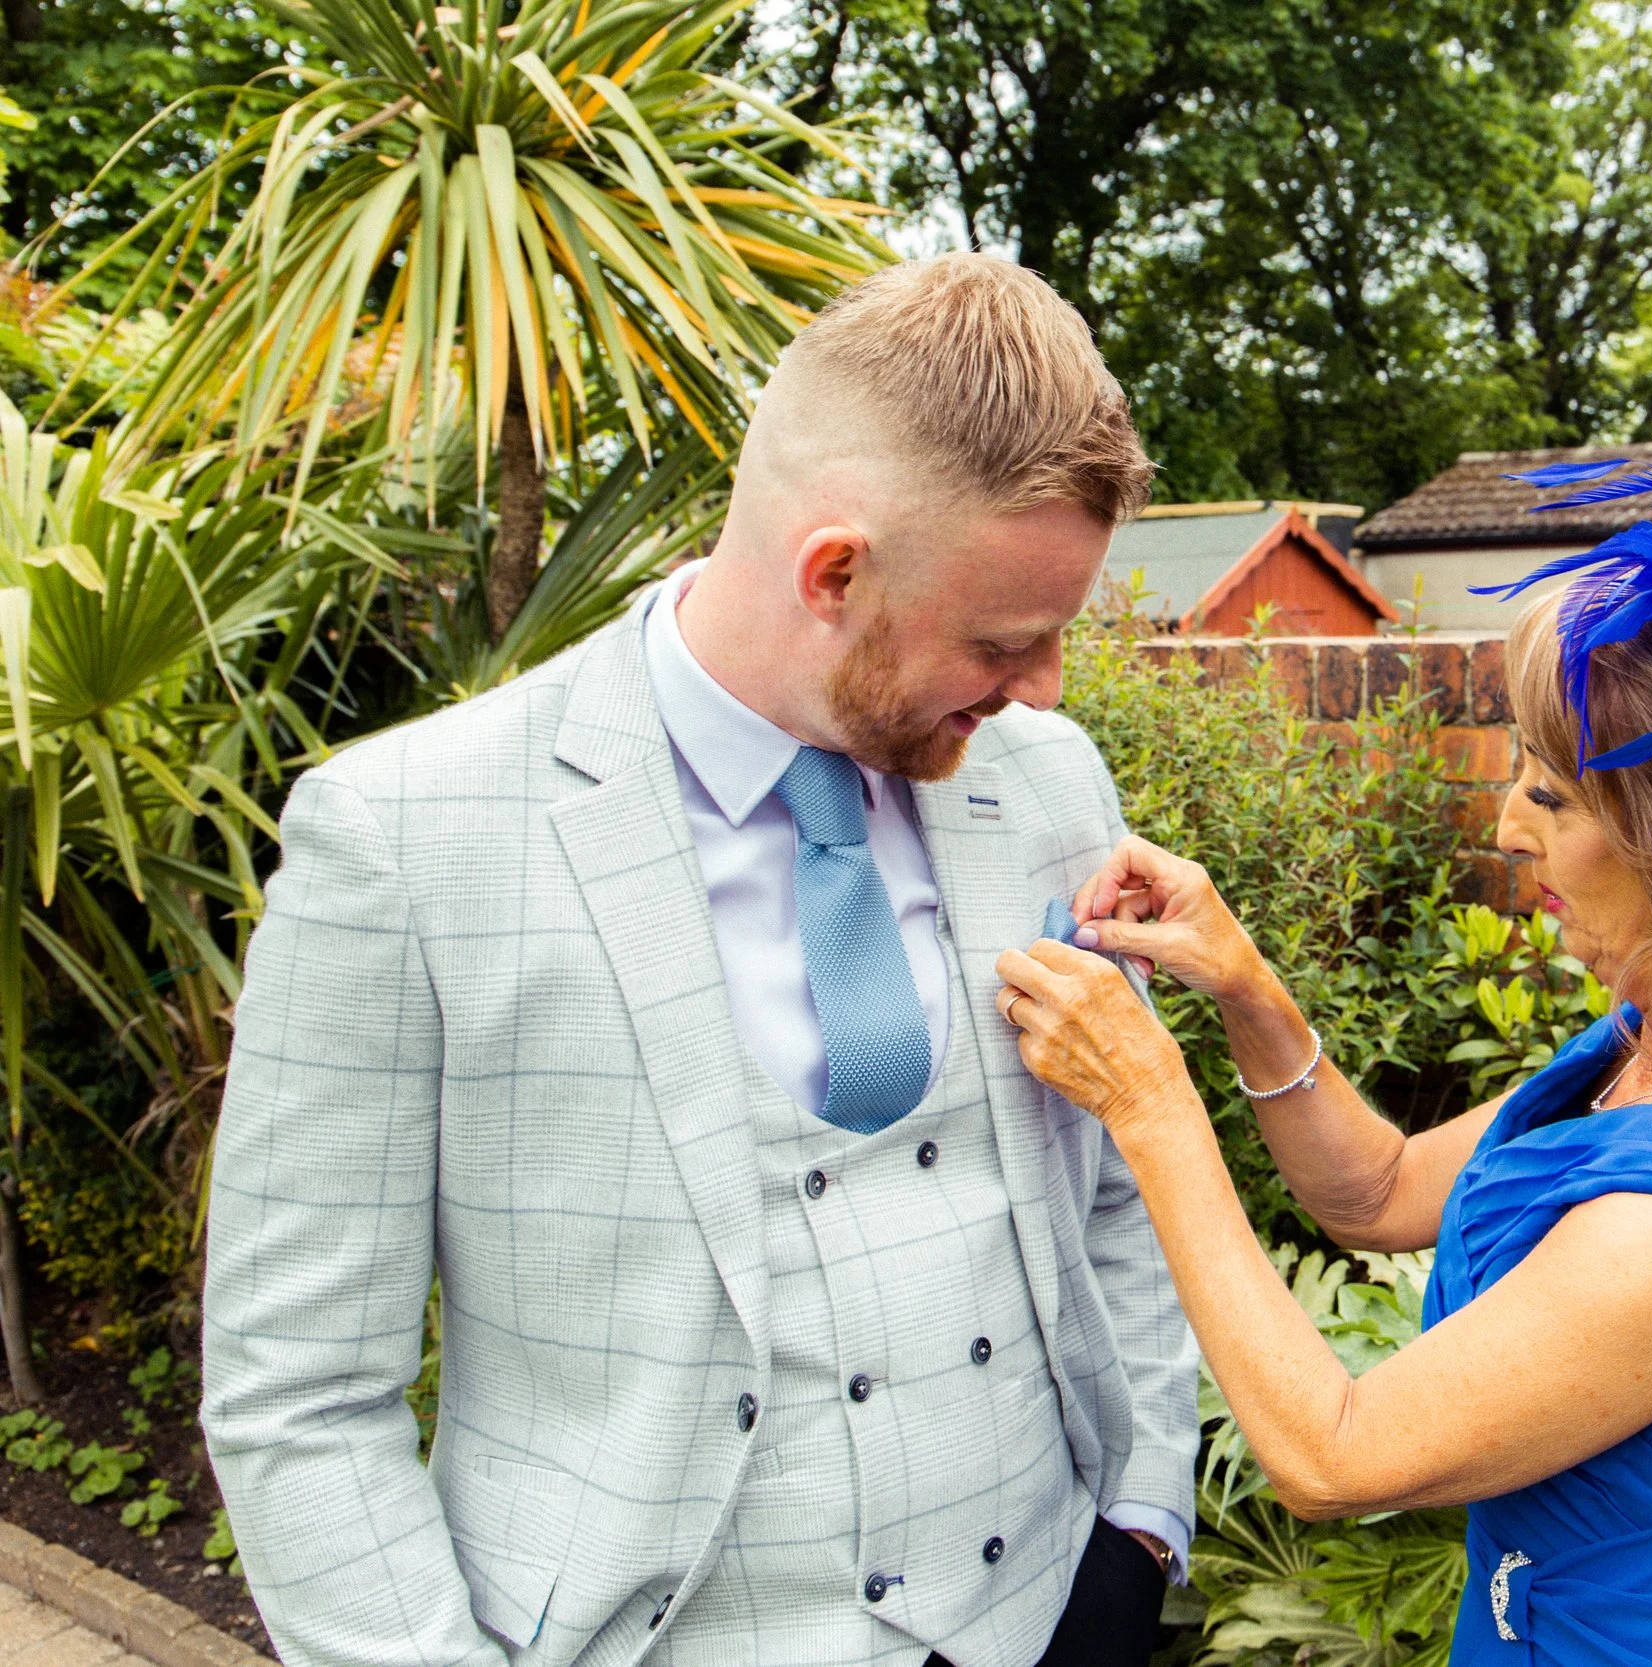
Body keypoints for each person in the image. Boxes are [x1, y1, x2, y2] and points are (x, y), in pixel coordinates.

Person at [201, 255, 1198, 1667]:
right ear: (835, 573)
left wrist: (1144, 1519)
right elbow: (297, 1390)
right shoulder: (405, 838)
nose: (1043, 688)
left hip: (1045, 1609)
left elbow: (1117, 1184)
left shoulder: (1045, 781)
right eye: (1005, 640)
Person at [995, 414, 1652, 1663]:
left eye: (1553, 794)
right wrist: (1244, 985)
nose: (1508, 827)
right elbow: (1379, 1190)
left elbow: (1333, 1451)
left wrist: (1149, 1103)